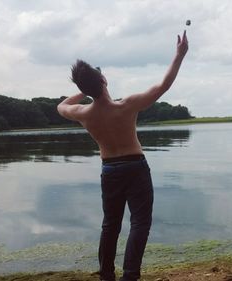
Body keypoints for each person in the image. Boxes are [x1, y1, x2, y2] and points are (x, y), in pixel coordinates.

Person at [57, 31, 188, 281]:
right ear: (104, 79)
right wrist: (179, 55)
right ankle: (130, 276)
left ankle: (106, 275)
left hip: (110, 170)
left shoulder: (83, 113)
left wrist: (84, 91)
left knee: (111, 225)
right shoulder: (126, 105)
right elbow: (163, 86)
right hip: (135, 167)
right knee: (140, 222)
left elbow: (61, 106)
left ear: (85, 88)